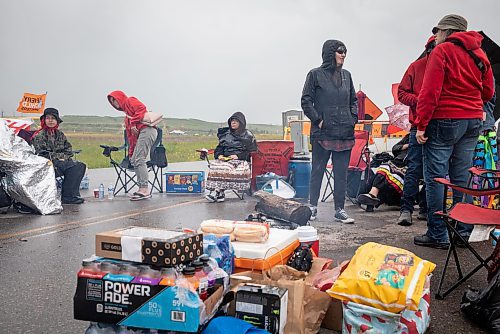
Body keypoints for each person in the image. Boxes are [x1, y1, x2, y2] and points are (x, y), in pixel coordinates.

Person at [414, 14, 495, 249]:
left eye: (438, 31)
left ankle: (438, 234)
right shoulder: (479, 54)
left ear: (448, 32)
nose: (435, 36)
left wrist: (421, 124)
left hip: (444, 120)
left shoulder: (442, 51)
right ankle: (462, 232)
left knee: (436, 177)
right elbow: (488, 93)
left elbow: (430, 93)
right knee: (461, 177)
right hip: (472, 121)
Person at [301, 40, 358, 223]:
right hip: (323, 132)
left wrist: (352, 118)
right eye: (340, 51)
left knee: (341, 173)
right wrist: (318, 120)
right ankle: (313, 206)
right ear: (330, 53)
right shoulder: (315, 75)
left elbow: (354, 100)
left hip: (344, 131)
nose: (343, 55)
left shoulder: (347, 76)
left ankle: (339, 209)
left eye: (345, 52)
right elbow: (306, 100)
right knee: (317, 170)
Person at [396, 37, 436, 226]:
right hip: (417, 126)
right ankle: (406, 209)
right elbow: (402, 93)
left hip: (439, 125)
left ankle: (427, 208)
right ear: (430, 49)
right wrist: (421, 100)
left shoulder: (449, 67)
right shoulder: (417, 66)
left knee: (435, 171)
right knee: (414, 169)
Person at [107, 91, 158, 201]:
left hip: (147, 130)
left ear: (120, 98)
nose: (114, 103)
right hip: (141, 134)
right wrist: (131, 153)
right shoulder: (126, 118)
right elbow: (131, 137)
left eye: (115, 100)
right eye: (112, 102)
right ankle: (141, 188)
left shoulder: (130, 100)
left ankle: (145, 189)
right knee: (134, 159)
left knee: (140, 159)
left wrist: (134, 122)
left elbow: (141, 109)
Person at [31, 108, 86, 204]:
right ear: (44, 120)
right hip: (47, 164)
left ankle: (69, 196)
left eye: (53, 118)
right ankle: (69, 196)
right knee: (71, 166)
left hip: (61, 162)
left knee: (79, 166)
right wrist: (59, 157)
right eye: (48, 118)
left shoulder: (60, 135)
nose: (51, 120)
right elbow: (42, 153)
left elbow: (69, 150)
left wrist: (63, 158)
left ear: (57, 121)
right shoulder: (39, 136)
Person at [356, 134, 426, 210]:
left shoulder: (424, 140)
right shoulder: (409, 136)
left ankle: (373, 196)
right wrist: (405, 146)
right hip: (397, 163)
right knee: (383, 170)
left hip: (409, 167)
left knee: (386, 170)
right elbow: (394, 148)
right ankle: (372, 197)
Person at [205, 112, 257, 202]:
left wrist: (238, 156)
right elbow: (219, 148)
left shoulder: (248, 135)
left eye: (236, 121)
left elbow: (252, 151)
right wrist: (219, 155)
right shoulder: (226, 134)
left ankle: (219, 192)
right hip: (226, 159)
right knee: (215, 166)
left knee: (225, 168)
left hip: (240, 160)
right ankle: (218, 192)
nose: (233, 123)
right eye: (232, 121)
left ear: (241, 123)